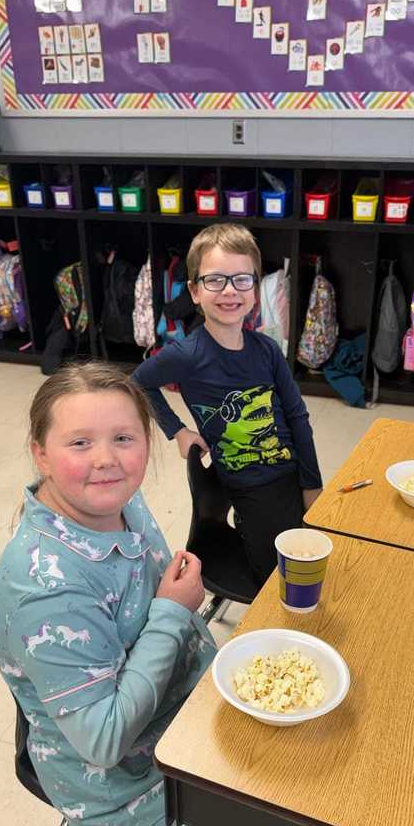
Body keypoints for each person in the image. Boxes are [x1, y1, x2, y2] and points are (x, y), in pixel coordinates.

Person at [0, 362, 414, 826]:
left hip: (188, 706)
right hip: (127, 783)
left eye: (124, 438)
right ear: (40, 451)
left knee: (354, 739)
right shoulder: (45, 590)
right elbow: (102, 742)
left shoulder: (116, 502)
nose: (107, 460)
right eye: (79, 442)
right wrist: (173, 614)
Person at [133, 223, 323, 585]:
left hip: (292, 472)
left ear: (255, 289)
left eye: (242, 279)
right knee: (283, 576)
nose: (230, 290)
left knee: (322, 548)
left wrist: (311, 483)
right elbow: (138, 383)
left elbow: (297, 417)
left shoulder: (267, 349)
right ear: (194, 291)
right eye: (215, 280)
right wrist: (178, 431)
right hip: (250, 485)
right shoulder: (185, 354)